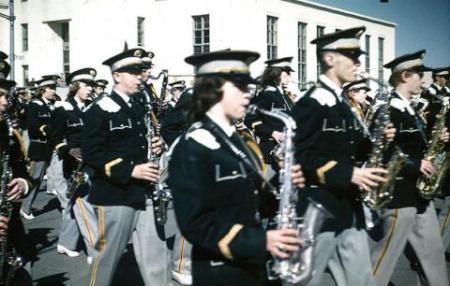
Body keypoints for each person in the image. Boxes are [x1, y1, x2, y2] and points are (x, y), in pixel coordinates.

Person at [168, 49, 304, 286]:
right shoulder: (193, 145)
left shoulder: (235, 138)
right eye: (240, 88)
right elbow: (196, 225)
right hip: (220, 271)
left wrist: (284, 188)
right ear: (214, 90)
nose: (247, 96)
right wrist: (261, 241)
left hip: (250, 263)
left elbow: (252, 198)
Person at [291, 26, 395, 286]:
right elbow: (298, 156)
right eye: (351, 55)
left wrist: (379, 142)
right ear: (329, 59)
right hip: (319, 210)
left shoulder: (342, 104)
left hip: (348, 208)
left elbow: (354, 150)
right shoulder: (311, 103)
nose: (358, 62)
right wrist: (349, 173)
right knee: (306, 281)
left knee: (361, 280)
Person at [82, 48, 170, 286]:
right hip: (116, 193)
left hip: (146, 191)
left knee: (157, 256)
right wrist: (129, 170)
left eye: (141, 71)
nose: (140, 76)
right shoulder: (100, 109)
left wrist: (159, 144)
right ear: (116, 75)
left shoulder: (140, 106)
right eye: (133, 72)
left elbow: (144, 142)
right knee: (107, 258)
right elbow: (91, 154)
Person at [369, 50, 449, 286]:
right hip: (399, 196)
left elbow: (415, 146)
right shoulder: (388, 110)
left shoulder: (411, 110)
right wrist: (416, 165)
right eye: (419, 74)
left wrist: (439, 142)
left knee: (433, 256)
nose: (423, 80)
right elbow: (383, 153)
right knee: (382, 260)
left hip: (419, 196)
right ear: (405, 75)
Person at [52, 68, 99, 262]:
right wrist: (67, 149)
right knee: (84, 203)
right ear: (75, 86)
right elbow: (53, 137)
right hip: (74, 164)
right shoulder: (63, 108)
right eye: (87, 85)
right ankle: (95, 251)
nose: (91, 89)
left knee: (75, 204)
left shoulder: (93, 107)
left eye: (92, 85)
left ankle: (65, 242)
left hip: (92, 160)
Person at [245, 57, 295, 170]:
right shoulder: (268, 94)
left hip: (287, 149)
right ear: (276, 73)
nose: (289, 75)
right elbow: (250, 119)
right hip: (272, 150)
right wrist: (272, 133)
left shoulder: (285, 96)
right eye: (286, 71)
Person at [20, 75, 58, 220]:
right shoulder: (35, 105)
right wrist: (48, 129)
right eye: (52, 88)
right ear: (43, 90)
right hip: (39, 146)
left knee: (57, 179)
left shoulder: (51, 105)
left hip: (50, 146)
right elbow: (32, 127)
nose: (54, 91)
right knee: (35, 179)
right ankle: (25, 208)